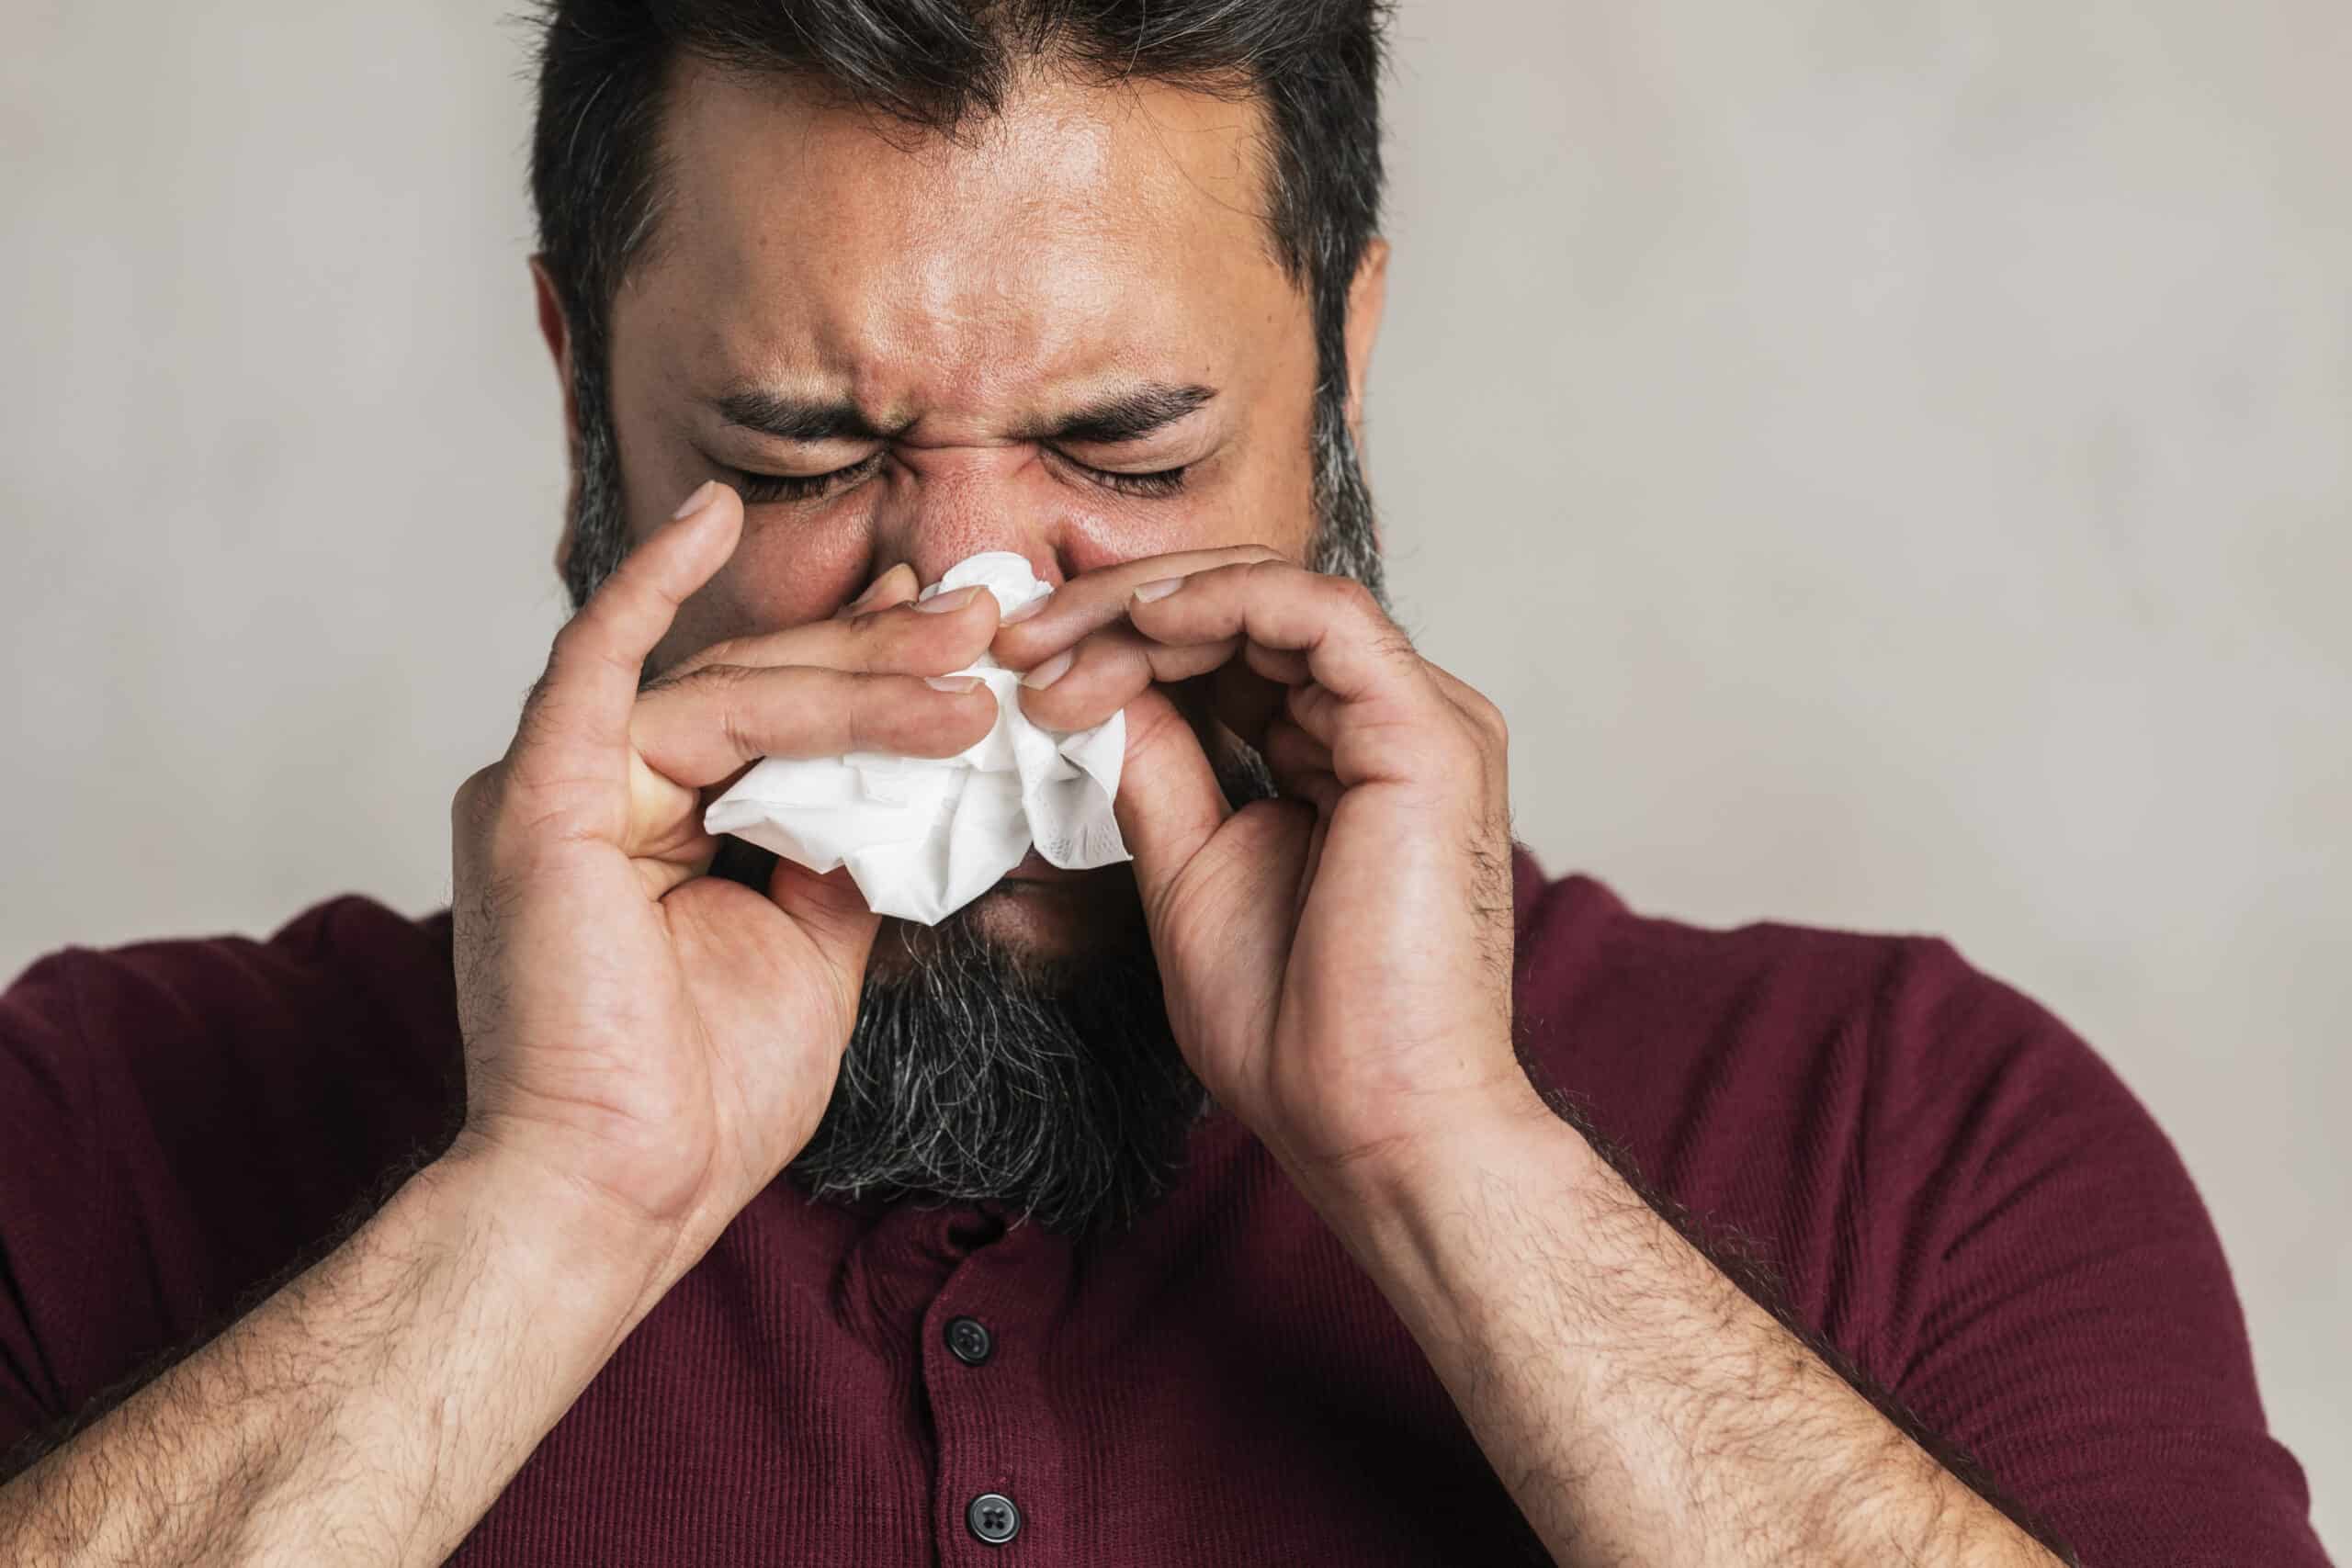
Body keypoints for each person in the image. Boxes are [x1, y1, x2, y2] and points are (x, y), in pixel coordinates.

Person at [0, 3, 2328, 1564]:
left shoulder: (1911, 1133)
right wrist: (548, 1207)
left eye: (1124, 451)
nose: (965, 607)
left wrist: (1450, 1171)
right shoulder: (94, 1125)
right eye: (796, 452)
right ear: (576, 387)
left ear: (1341, 366)